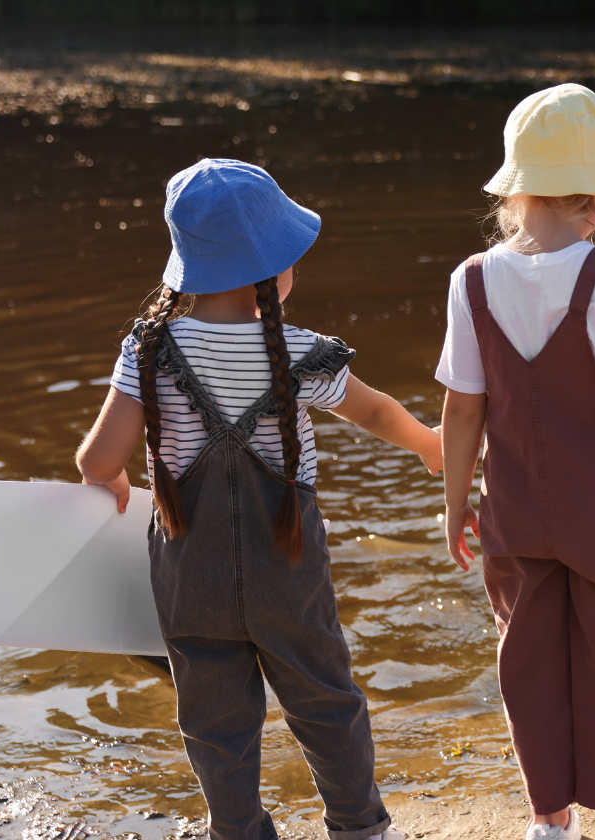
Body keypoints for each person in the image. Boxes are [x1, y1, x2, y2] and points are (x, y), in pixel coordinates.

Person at [75, 159, 442, 840]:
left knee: (214, 719)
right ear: (274, 271)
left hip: (191, 574)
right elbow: (379, 414)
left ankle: (238, 830)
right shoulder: (301, 355)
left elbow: (98, 459)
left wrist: (118, 485)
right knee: (326, 700)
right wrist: (431, 444)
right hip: (288, 569)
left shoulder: (149, 347)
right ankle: (359, 827)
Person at [437, 83, 595, 840]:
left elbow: (463, 411)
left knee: (528, 659)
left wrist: (456, 505)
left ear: (515, 195)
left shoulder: (471, 279)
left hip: (513, 508)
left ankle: (547, 819)